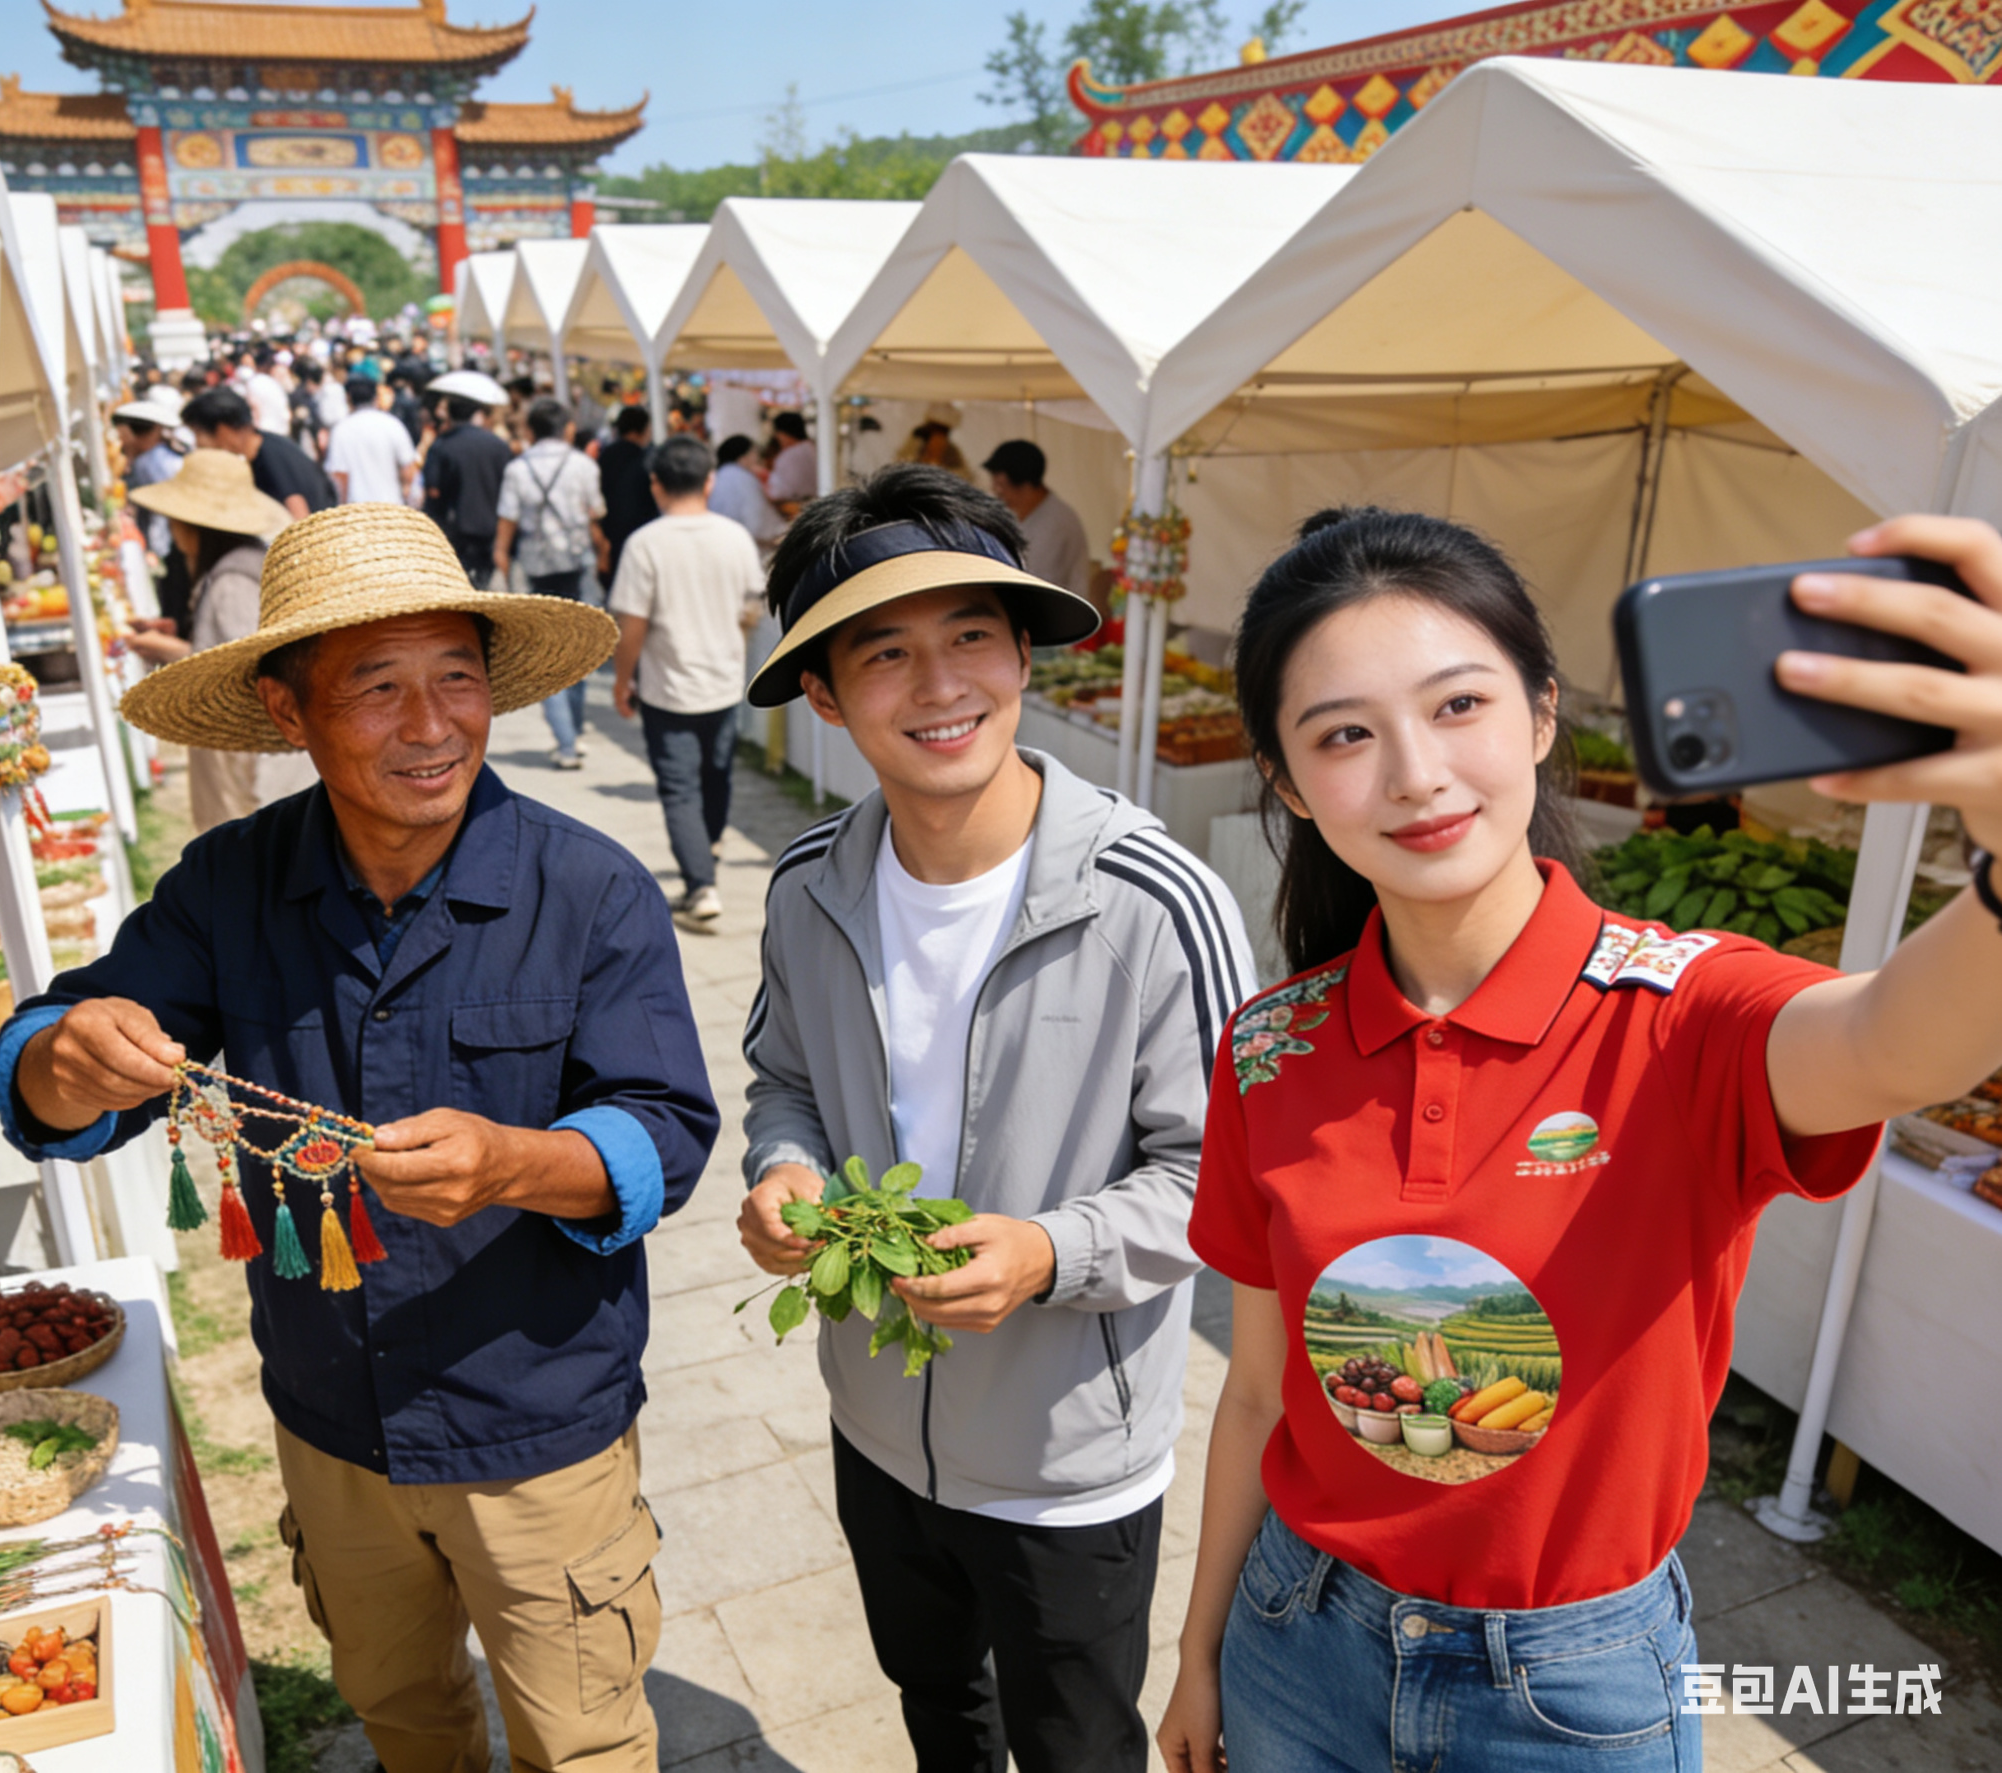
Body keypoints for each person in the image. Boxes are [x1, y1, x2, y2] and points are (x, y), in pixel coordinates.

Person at [1154, 509, 2002, 1773]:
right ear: (1285, 781)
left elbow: (1896, 1044)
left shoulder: (1685, 1012)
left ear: (1543, 714)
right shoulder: (1270, 1048)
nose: (1416, 774)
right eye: (1344, 735)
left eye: (1458, 706)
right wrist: (1200, 1649)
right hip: (1299, 1642)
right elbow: (1260, 1394)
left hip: (1568, 1691)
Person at [0, 504, 717, 1773]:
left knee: (584, 1744)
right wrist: (67, 1059)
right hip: (330, 1419)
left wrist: (515, 1163)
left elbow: (666, 1133)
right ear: (288, 713)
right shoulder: (228, 885)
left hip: (534, 1427)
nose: (430, 726)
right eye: (377, 687)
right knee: (402, 1716)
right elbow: (53, 1069)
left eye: (456, 679)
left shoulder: (590, 888)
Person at [737, 464, 1251, 1772]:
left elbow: (1226, 1178)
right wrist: (785, 1167)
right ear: (824, 694)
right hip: (874, 1420)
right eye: (885, 653)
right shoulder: (808, 886)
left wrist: (1047, 1252)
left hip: (1067, 1456)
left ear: (1024, 654)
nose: (939, 684)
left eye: (971, 636)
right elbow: (784, 1079)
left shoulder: (1154, 900)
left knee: (1076, 1746)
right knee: (938, 1709)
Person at [607, 435, 766, 927]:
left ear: (656, 484)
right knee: (716, 775)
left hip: (668, 687)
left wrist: (622, 680)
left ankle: (700, 887)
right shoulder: (735, 537)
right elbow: (752, 606)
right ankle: (708, 851)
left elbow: (632, 624)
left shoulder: (645, 544)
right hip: (724, 680)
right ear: (709, 480)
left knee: (679, 789)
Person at [119, 450, 317, 833]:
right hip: (254, 756)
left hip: (254, 764)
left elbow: (248, 663)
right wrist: (180, 636)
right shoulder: (239, 568)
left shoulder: (231, 581)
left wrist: (172, 651)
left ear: (193, 526)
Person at [495, 399, 609, 770]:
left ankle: (565, 740)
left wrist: (501, 556)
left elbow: (508, 520)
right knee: (580, 646)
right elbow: (596, 513)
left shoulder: (517, 469)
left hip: (535, 565)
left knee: (546, 655)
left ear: (530, 430)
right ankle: (573, 731)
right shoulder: (583, 465)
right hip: (577, 562)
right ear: (568, 429)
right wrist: (602, 549)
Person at [182, 386, 337, 520]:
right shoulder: (265, 448)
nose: (197, 443)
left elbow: (299, 517)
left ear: (223, 431)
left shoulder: (271, 458)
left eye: (198, 433)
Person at [421, 392, 512, 590]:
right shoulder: (498, 445)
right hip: (492, 529)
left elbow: (433, 490)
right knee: (486, 583)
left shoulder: (442, 445)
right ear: (476, 413)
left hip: (455, 530)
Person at [982, 440, 1092, 603]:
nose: (996, 492)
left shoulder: (1056, 522)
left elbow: (1033, 580)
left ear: (1025, 484)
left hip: (1051, 610)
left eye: (1000, 485)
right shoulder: (1022, 513)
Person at [325, 376, 416, 507]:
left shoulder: (341, 430)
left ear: (348, 398)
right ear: (376, 397)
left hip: (357, 510)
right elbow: (408, 468)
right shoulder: (392, 424)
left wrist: (340, 508)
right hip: (392, 508)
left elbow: (339, 476)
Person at [114, 392, 185, 557]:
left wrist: (156, 551)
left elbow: (161, 513)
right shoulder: (159, 456)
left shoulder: (150, 462)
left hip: (168, 545)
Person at [596, 405, 660, 586]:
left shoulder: (605, 456)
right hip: (642, 533)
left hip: (610, 535)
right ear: (643, 429)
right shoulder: (647, 458)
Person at [706, 435, 789, 560]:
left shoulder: (718, 476)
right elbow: (758, 521)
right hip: (743, 549)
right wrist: (781, 533)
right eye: (754, 453)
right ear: (743, 457)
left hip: (719, 545)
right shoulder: (742, 478)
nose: (758, 458)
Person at [894, 404, 973, 482]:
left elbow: (966, 478)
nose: (938, 439)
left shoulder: (952, 452)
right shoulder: (915, 445)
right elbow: (900, 468)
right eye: (936, 429)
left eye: (943, 431)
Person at [765, 410, 817, 511]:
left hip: (796, 509)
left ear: (782, 434)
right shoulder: (814, 449)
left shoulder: (787, 456)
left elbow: (777, 493)